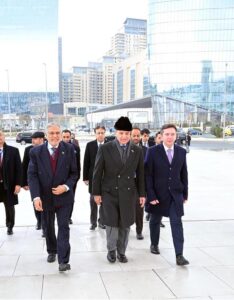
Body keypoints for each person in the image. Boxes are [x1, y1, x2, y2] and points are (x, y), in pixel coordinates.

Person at [92, 117, 145, 263]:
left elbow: (140, 174)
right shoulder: (105, 148)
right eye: (121, 133)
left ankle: (122, 251)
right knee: (111, 224)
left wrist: (142, 194)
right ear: (116, 133)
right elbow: (97, 172)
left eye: (127, 134)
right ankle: (111, 250)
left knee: (125, 224)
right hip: (109, 192)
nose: (124, 136)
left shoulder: (137, 150)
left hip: (128, 193)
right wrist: (96, 193)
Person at [28, 123, 78, 272]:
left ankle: (63, 260)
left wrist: (66, 187)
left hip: (64, 197)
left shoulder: (69, 149)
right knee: (48, 226)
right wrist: (36, 197)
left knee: (63, 227)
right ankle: (52, 250)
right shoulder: (36, 152)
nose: (55, 136)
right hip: (45, 197)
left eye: (57, 133)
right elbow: (32, 175)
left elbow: (74, 173)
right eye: (52, 133)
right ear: (46, 135)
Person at [145, 123, 189, 265]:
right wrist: (150, 195)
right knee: (155, 221)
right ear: (161, 136)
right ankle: (154, 244)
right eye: (167, 134)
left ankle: (179, 255)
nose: (170, 137)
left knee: (177, 223)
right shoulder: (152, 151)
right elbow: (148, 175)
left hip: (175, 195)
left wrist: (185, 194)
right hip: (157, 195)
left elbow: (184, 174)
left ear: (176, 136)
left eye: (172, 134)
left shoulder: (181, 152)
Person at [22, 131, 45, 236]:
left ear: (41, 139)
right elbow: (24, 166)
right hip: (34, 181)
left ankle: (45, 225)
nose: (32, 141)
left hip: (46, 181)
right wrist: (24, 182)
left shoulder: (48, 148)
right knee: (35, 201)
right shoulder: (28, 150)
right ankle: (39, 221)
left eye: (34, 139)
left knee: (46, 203)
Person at [83, 125, 106, 230]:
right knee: (93, 200)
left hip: (106, 177)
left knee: (104, 201)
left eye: (102, 133)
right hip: (93, 178)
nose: (100, 135)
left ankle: (102, 221)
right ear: (95, 134)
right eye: (98, 133)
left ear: (105, 133)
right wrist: (85, 177)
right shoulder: (90, 145)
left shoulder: (110, 145)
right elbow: (86, 162)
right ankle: (93, 222)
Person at [0, 130, 22, 235]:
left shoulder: (13, 151)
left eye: (0, 135)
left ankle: (10, 226)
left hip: (8, 185)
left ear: (4, 136)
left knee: (9, 207)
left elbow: (19, 169)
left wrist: (18, 184)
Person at [145, 131, 166, 228]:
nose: (161, 140)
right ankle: (150, 214)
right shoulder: (151, 151)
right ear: (155, 139)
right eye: (159, 138)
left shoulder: (168, 151)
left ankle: (159, 219)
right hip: (153, 182)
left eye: (162, 137)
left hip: (163, 183)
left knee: (161, 203)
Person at [131, 127, 147, 240]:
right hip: (127, 182)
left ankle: (139, 231)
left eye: (138, 135)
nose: (136, 138)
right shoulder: (125, 149)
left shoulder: (146, 150)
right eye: (134, 135)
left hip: (140, 183)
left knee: (139, 208)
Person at [62, 129, 81, 224]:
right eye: (64, 137)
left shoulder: (75, 148)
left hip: (72, 179)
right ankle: (62, 216)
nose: (66, 139)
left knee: (70, 198)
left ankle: (68, 216)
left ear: (71, 137)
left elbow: (78, 164)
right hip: (60, 178)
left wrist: (77, 178)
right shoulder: (58, 147)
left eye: (67, 137)